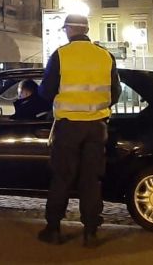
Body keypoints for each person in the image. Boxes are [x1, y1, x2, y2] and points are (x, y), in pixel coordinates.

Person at [37, 13, 122, 247]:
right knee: (91, 179)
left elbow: (45, 92)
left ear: (69, 30)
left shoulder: (61, 55)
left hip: (68, 127)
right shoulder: (105, 56)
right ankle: (91, 232)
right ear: (86, 29)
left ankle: (53, 229)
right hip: (96, 127)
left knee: (62, 177)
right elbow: (115, 94)